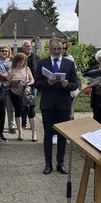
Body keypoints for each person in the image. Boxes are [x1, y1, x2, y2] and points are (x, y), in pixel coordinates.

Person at [34, 38, 78, 174]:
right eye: (54, 49)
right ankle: (48, 164)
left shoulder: (69, 63)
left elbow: (75, 84)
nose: (57, 51)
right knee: (48, 135)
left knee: (62, 136)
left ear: (63, 48)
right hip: (48, 104)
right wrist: (48, 83)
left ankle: (60, 163)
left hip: (63, 104)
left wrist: (67, 85)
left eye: (59, 49)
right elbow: (37, 84)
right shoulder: (42, 63)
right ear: (50, 49)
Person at [8, 52, 34, 141]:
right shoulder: (11, 70)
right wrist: (13, 82)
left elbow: (32, 80)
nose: (21, 63)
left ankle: (33, 133)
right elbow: (8, 83)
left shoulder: (27, 69)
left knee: (30, 111)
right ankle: (20, 132)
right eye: (19, 61)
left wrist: (27, 84)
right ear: (16, 61)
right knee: (18, 111)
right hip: (15, 93)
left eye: (23, 61)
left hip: (26, 93)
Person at [20, 40, 38, 141]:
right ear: (22, 47)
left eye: (30, 46)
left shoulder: (36, 58)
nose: (29, 48)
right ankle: (23, 123)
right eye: (27, 46)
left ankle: (33, 125)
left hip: (33, 85)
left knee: (32, 106)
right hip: (21, 86)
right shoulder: (19, 57)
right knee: (22, 106)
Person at [0, 44, 15, 139]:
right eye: (2, 51)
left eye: (6, 51)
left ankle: (11, 126)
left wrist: (2, 75)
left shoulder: (12, 64)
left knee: (10, 108)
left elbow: (12, 76)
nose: (4, 52)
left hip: (10, 88)